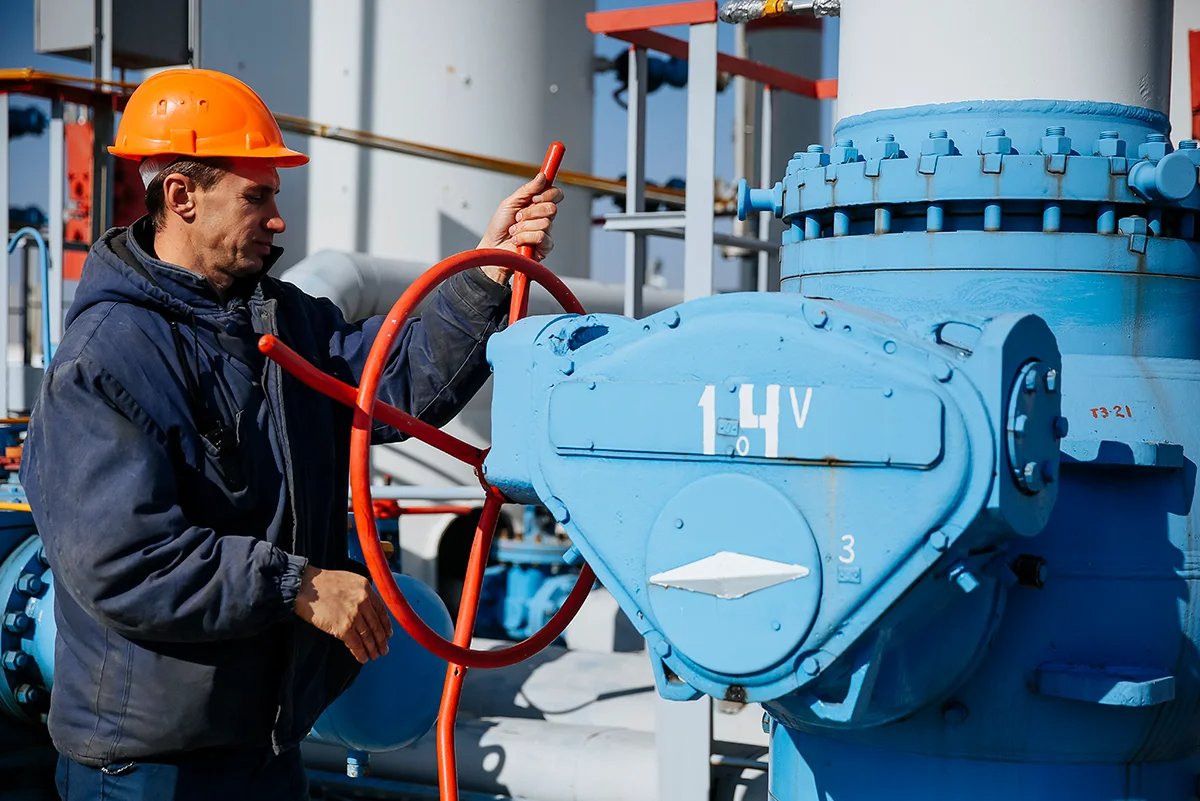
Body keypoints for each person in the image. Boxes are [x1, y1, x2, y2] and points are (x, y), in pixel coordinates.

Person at [20, 68, 562, 800]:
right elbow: (127, 562)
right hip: (149, 767)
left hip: (265, 744)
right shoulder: (106, 358)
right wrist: (297, 585)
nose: (279, 220)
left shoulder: (276, 319)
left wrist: (488, 274)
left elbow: (392, 380)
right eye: (258, 196)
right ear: (181, 196)